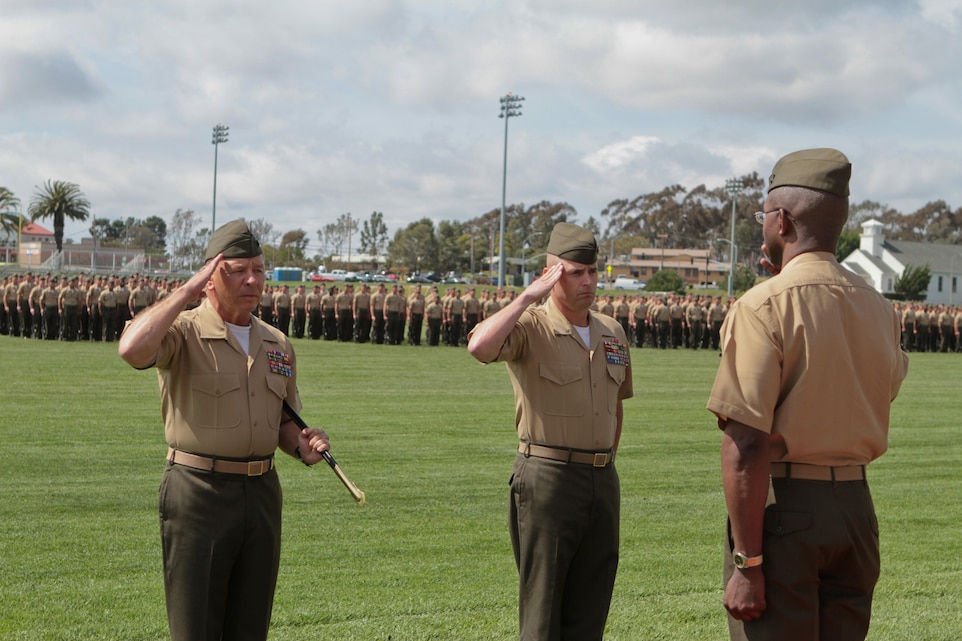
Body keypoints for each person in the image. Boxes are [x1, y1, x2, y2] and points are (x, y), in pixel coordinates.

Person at [706, 149, 909, 641]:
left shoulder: (762, 306)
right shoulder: (881, 310)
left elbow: (747, 443)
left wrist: (748, 563)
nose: (763, 228)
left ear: (782, 220)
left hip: (785, 510)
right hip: (856, 510)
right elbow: (883, 387)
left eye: (763, 218)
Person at [117, 220, 331, 641]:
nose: (252, 279)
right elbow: (131, 349)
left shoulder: (276, 343)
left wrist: (301, 446)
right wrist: (183, 293)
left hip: (263, 493)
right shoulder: (184, 332)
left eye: (258, 269)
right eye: (237, 269)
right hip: (200, 492)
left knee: (250, 627)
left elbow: (283, 421)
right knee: (197, 627)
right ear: (210, 277)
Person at [467, 222, 633, 641]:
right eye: (576, 272)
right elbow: (480, 348)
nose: (589, 281)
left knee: (591, 608)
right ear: (552, 273)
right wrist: (527, 297)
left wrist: (605, 464)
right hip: (549, 478)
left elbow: (616, 406)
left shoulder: (612, 331)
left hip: (602, 478)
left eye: (593, 271)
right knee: (544, 610)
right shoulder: (532, 326)